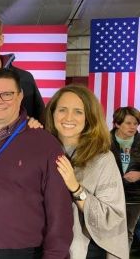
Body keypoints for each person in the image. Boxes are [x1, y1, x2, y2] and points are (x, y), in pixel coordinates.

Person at [0, 68, 73, 259]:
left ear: (20, 95)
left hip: (22, 250)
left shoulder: (46, 144)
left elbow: (60, 211)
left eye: (7, 94)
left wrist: (55, 255)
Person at [44, 84, 129, 258]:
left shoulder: (103, 159)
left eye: (78, 111)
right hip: (44, 244)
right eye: (62, 110)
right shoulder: (41, 149)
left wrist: (76, 188)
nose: (69, 117)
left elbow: (112, 218)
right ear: (52, 113)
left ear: (89, 117)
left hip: (83, 249)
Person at [110, 106, 140, 249]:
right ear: (117, 123)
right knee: (107, 233)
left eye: (135, 123)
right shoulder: (104, 141)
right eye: (128, 123)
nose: (133, 127)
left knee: (127, 233)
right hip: (109, 195)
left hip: (133, 198)